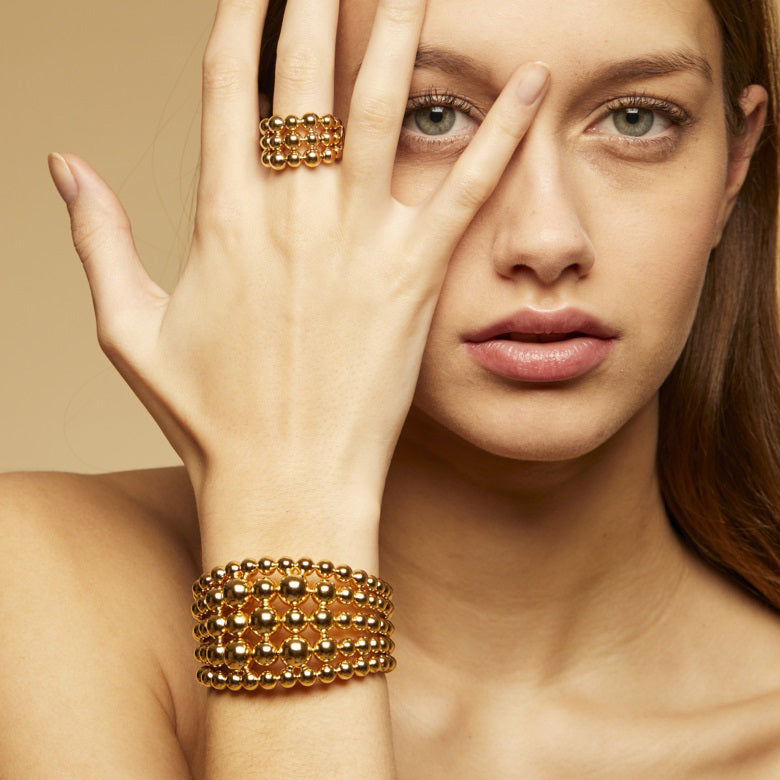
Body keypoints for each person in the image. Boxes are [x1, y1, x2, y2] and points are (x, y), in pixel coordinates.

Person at [3, 0, 780, 775]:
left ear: (735, 161)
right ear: (276, 158)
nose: (547, 240)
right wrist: (286, 506)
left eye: (638, 120)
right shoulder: (48, 584)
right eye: (433, 117)